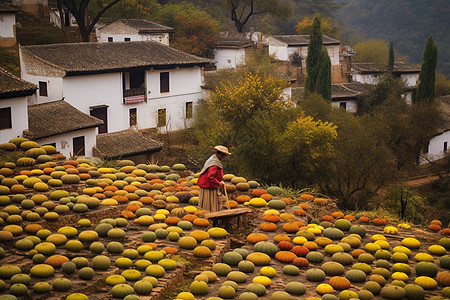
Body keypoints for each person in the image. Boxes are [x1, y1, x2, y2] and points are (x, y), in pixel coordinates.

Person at [197, 145, 231, 212]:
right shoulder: (214, 163)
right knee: (209, 204)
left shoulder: (213, 159)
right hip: (208, 185)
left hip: (209, 184)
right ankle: (209, 215)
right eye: (223, 155)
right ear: (219, 154)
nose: (223, 157)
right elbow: (210, 176)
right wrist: (218, 183)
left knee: (210, 203)